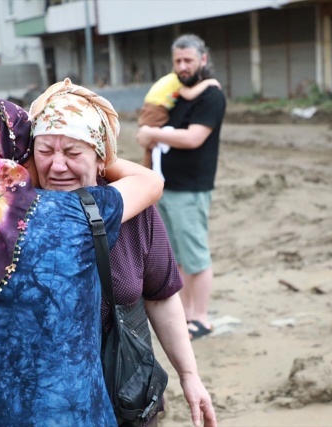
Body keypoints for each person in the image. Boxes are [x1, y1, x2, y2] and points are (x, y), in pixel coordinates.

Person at [0, 81, 218, 426]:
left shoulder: (134, 211)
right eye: (45, 151)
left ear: (102, 160)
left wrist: (189, 374)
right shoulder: (3, 224)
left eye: (74, 152)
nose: (58, 166)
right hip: (40, 408)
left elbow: (160, 295)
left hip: (122, 393)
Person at [136, 34, 226, 341]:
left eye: (188, 60)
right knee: (177, 256)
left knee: (195, 254)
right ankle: (186, 315)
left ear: (203, 59)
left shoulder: (211, 97)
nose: (183, 66)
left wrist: (152, 134)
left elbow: (193, 138)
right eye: (178, 61)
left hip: (191, 188)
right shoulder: (178, 91)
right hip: (168, 186)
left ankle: (201, 317)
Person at [138, 73, 221, 168]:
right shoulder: (177, 80)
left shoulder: (169, 78)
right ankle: (147, 172)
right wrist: (208, 83)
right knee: (152, 148)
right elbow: (189, 94)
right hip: (156, 110)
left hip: (150, 108)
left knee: (153, 146)